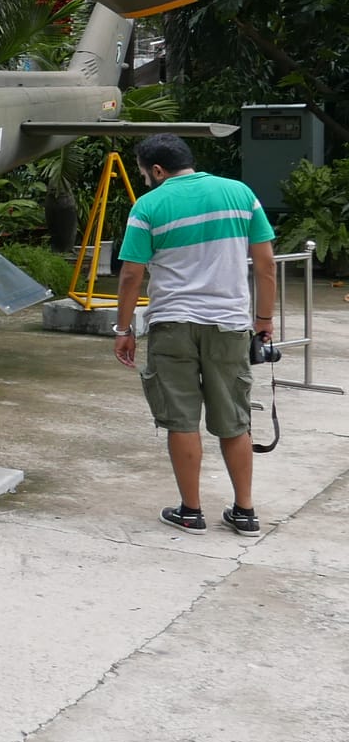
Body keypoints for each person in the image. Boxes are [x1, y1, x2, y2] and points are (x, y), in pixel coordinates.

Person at [111, 134, 276, 536]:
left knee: (182, 420)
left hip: (172, 326)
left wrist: (124, 328)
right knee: (234, 420)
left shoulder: (148, 206)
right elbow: (266, 263)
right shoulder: (240, 193)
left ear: (156, 171)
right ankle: (245, 511)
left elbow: (132, 274)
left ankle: (191, 511)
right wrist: (263, 321)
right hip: (230, 325)